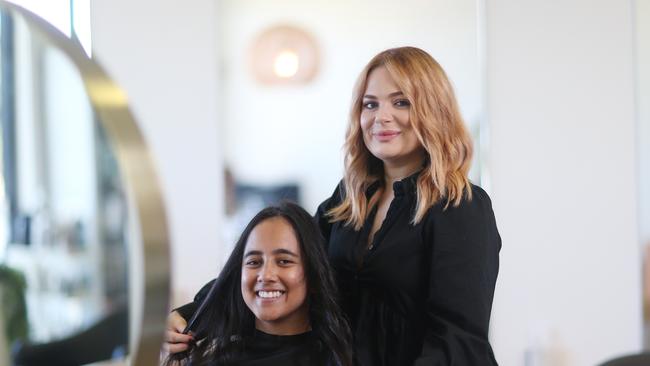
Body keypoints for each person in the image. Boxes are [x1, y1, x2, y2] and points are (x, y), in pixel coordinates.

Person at [167, 46, 501, 365]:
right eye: (370, 105)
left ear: (434, 110)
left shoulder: (461, 208)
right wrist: (189, 313)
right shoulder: (349, 200)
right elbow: (282, 261)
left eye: (401, 102)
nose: (381, 117)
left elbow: (459, 341)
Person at [163, 202, 354, 366]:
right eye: (254, 262)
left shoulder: (341, 357)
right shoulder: (210, 358)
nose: (265, 275)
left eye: (284, 261)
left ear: (313, 275)